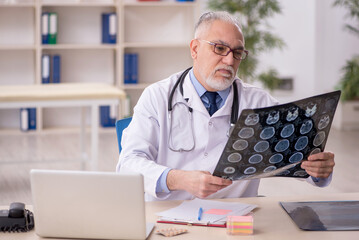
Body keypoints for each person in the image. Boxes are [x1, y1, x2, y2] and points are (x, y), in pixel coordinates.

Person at [116, 11, 335, 201]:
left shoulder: (259, 103)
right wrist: (177, 179)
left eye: (237, 53)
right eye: (220, 48)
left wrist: (318, 170)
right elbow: (128, 164)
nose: (230, 61)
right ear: (194, 49)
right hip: (168, 216)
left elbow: (298, 160)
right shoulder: (157, 96)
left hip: (234, 219)